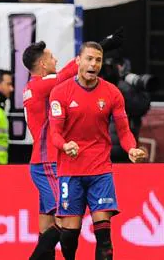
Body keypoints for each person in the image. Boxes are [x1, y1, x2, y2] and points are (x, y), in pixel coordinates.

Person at [49, 41, 147, 260]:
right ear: (78, 62)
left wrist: (132, 149)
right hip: (70, 171)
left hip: (100, 171)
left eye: (98, 60)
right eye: (89, 59)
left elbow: (123, 131)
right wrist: (65, 145)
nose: (94, 64)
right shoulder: (60, 92)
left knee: (104, 236)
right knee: (68, 236)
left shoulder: (112, 93)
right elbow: (54, 133)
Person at [21, 41, 78, 260]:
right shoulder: (41, 85)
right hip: (48, 163)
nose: (56, 61)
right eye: (52, 57)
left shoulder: (31, 87)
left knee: (46, 224)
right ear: (43, 64)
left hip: (43, 161)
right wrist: (97, 49)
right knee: (65, 219)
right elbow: (68, 73)